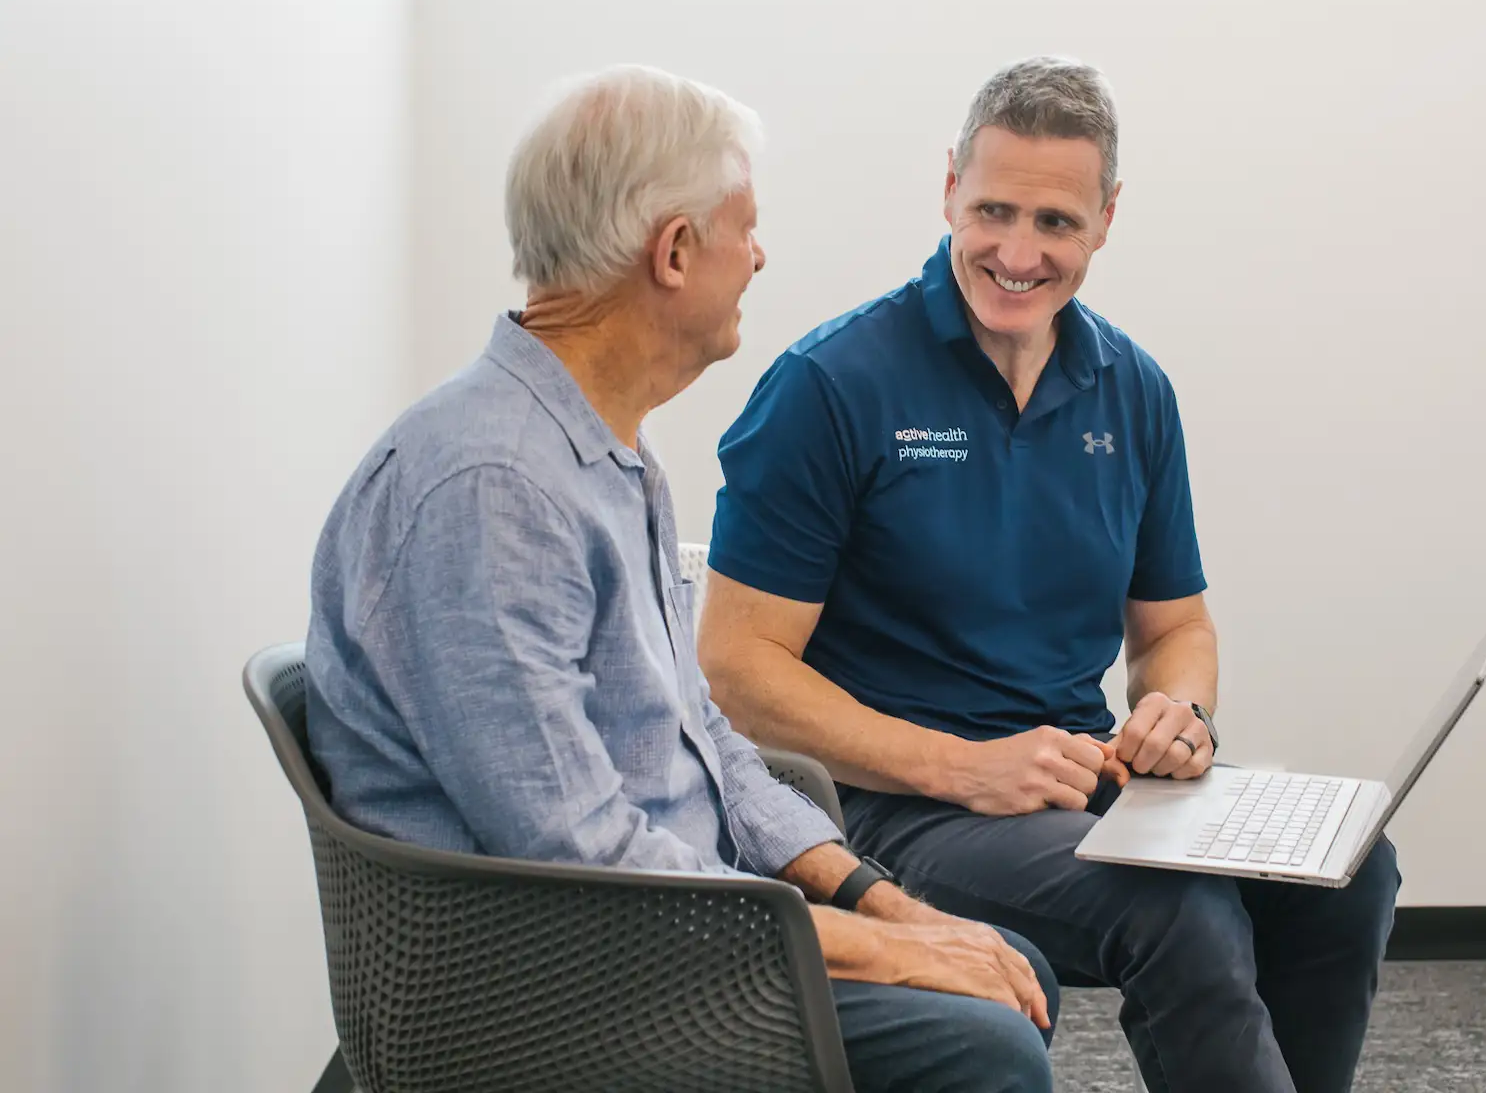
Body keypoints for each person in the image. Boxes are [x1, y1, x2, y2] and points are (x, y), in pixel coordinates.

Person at [302, 65, 1059, 1093]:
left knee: (1010, 971)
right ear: (672, 251)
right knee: (986, 1040)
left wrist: (879, 900)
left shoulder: (603, 452)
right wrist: (871, 946)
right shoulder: (491, 488)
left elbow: (704, 741)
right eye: (743, 228)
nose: (758, 255)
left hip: (666, 932)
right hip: (554, 986)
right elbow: (576, 853)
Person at [699, 57, 1399, 1093]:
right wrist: (959, 767)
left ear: (1107, 218)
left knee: (1349, 869)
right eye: (992, 210)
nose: (1017, 253)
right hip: (898, 809)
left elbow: (1174, 626)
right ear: (948, 188)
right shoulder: (828, 385)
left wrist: (1180, 709)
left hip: (1084, 785)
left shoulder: (1132, 389)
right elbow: (736, 665)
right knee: (1181, 909)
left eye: (1056, 223)